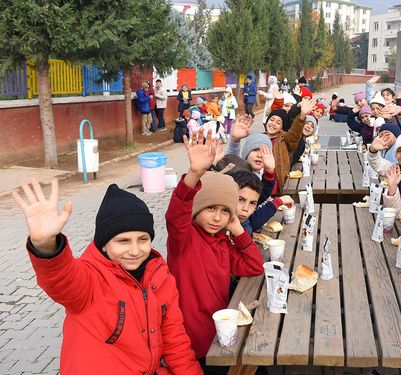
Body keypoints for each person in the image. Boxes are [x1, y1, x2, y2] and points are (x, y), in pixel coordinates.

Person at [12, 179, 202, 374]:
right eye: (123, 241)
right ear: (103, 244)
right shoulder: (90, 278)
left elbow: (175, 341)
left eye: (143, 239)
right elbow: (62, 279)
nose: (135, 250)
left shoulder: (162, 278)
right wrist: (46, 245)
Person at [166, 130, 264, 372]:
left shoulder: (222, 242)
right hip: (192, 342)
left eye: (224, 211)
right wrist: (194, 174)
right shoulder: (184, 239)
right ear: (198, 207)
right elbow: (176, 212)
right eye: (211, 208)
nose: (217, 218)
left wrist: (237, 230)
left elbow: (254, 266)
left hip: (220, 334)